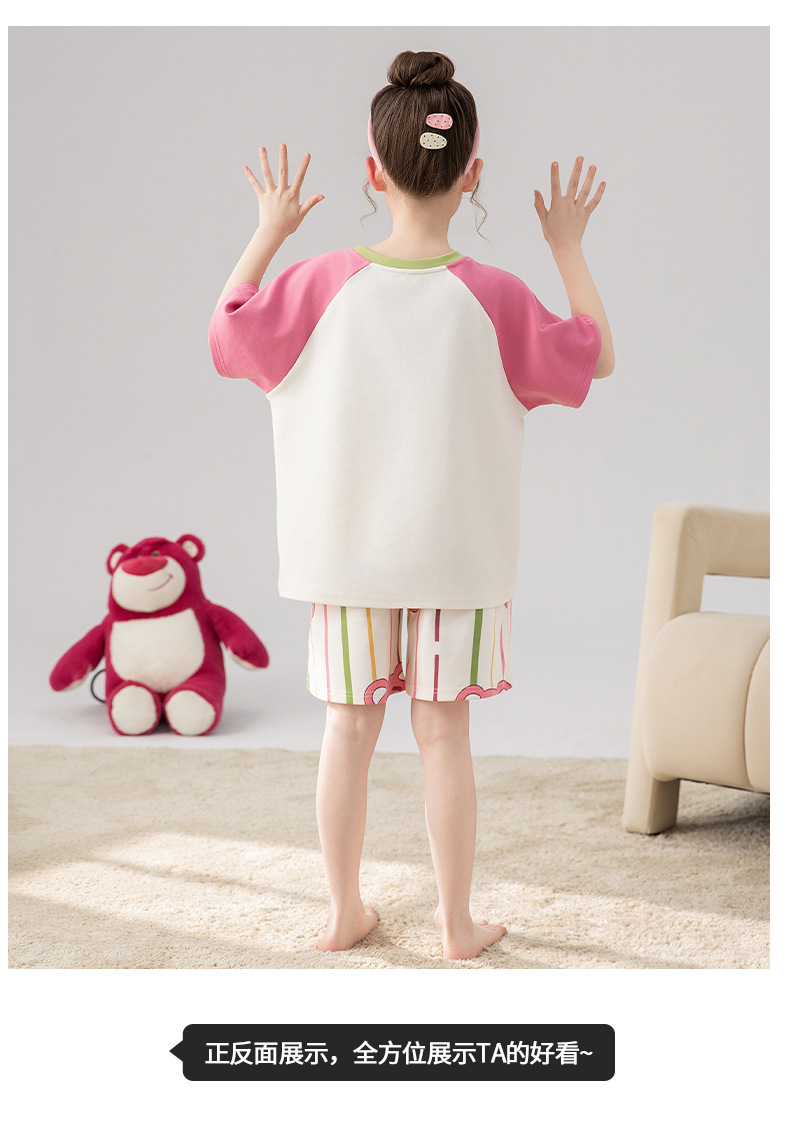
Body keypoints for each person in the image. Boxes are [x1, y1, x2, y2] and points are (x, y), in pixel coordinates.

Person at [209, 49, 614, 961]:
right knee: (444, 733)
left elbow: (226, 332)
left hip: (346, 558)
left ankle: (342, 912)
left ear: (372, 170)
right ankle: (456, 924)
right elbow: (598, 355)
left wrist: (268, 231)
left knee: (348, 728)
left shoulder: (318, 283)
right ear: (473, 173)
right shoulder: (497, 296)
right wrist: (567, 246)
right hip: (457, 560)